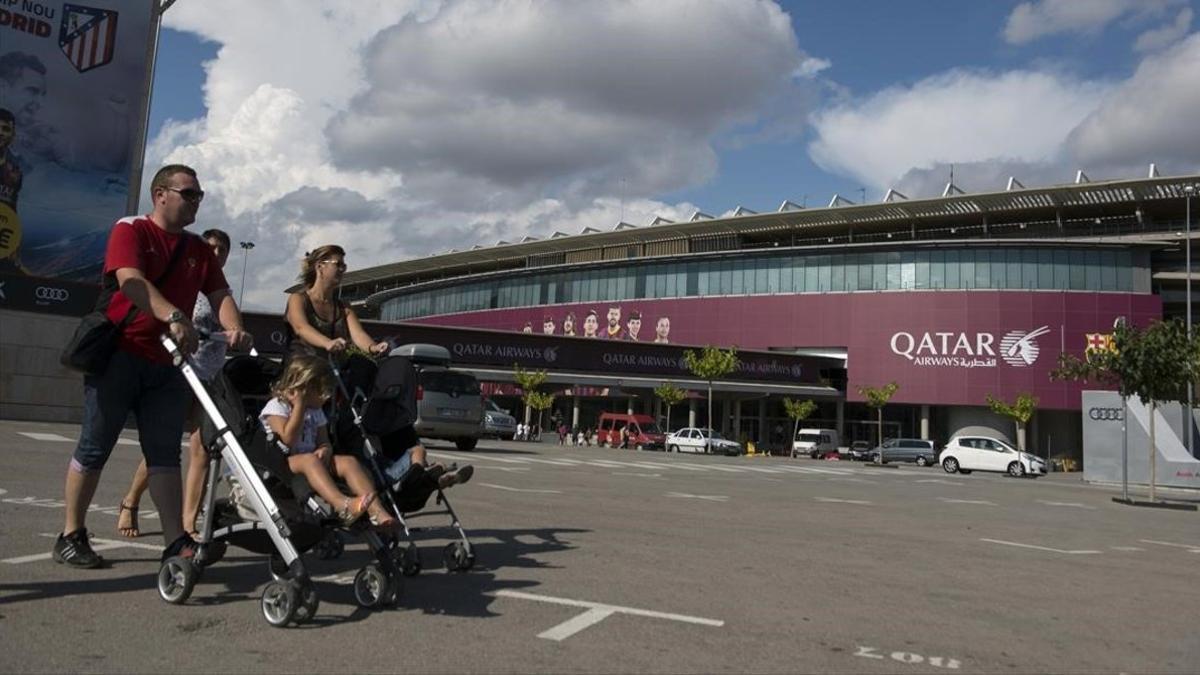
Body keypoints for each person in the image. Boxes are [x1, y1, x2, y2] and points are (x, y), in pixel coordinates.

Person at [52, 164, 252, 568]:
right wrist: (175, 316)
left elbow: (220, 294)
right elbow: (130, 280)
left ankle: (176, 541)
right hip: (120, 355)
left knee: (164, 454)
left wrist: (236, 329)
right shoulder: (131, 229)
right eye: (189, 193)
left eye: (200, 195)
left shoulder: (198, 249)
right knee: (95, 446)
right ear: (161, 194)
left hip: (166, 365)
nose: (197, 201)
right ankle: (71, 534)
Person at [116, 229, 238, 539]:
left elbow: (230, 325)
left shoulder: (222, 292)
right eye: (210, 247)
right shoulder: (187, 286)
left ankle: (188, 523)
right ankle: (131, 500)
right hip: (183, 371)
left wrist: (237, 331)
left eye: (221, 249)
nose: (215, 253)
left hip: (212, 375)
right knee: (164, 446)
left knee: (202, 449)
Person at [260, 355, 395, 529]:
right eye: (322, 392)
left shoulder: (316, 411)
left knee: (348, 461)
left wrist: (325, 449)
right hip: (282, 462)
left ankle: (377, 511)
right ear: (305, 388)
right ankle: (342, 505)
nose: (327, 398)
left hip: (312, 461)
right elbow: (287, 440)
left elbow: (324, 441)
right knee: (310, 459)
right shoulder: (277, 406)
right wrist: (299, 406)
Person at [0, 108, 21, 209]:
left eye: (6, 129)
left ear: (13, 135)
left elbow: (10, 212)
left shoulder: (15, 172)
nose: (0, 133)